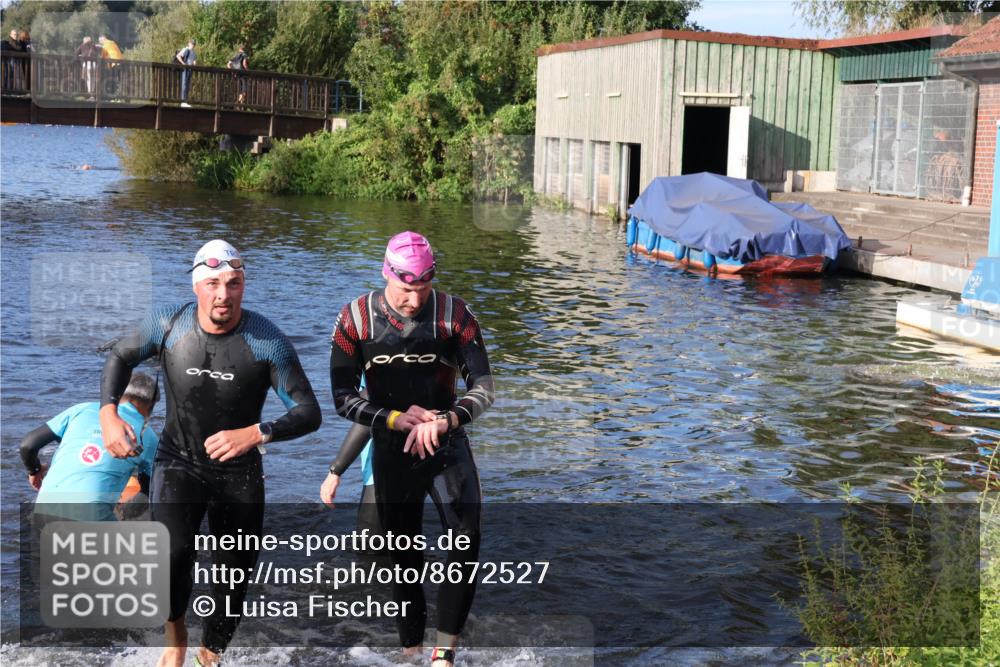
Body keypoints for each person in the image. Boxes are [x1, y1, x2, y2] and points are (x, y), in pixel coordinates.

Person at [100, 239, 322, 667]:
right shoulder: (168, 324)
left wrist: (257, 433)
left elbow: (309, 412)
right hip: (177, 461)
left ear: (243, 285)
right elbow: (120, 356)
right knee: (171, 554)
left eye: (234, 283)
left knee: (232, 578)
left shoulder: (266, 340)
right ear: (197, 285)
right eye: (214, 283)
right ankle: (177, 638)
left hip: (238, 473)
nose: (224, 294)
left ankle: (210, 654)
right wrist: (108, 413)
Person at [328, 231, 495, 667]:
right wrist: (394, 418)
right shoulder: (355, 319)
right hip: (391, 446)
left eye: (422, 290)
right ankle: (410, 650)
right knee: (403, 555)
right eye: (405, 290)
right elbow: (342, 397)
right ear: (387, 276)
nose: (414, 301)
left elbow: (485, 388)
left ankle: (444, 653)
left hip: (445, 442)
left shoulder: (455, 315)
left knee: (465, 537)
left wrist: (446, 419)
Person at [21, 372, 160, 522]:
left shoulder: (81, 409)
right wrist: (124, 514)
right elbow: (151, 490)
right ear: (151, 406)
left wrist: (34, 470)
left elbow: (28, 445)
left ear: (117, 393)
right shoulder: (148, 436)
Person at [175, 39, 196, 107]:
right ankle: (183, 101)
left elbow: (194, 61)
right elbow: (178, 56)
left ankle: (185, 101)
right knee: (184, 84)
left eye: (194, 44)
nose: (193, 45)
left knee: (187, 85)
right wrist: (184, 64)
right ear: (189, 43)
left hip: (190, 69)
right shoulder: (185, 49)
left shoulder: (194, 53)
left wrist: (194, 64)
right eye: (192, 43)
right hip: (185, 69)